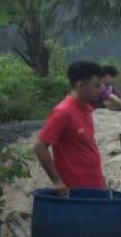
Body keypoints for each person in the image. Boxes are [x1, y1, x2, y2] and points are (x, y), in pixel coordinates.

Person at [35, 61, 106, 194]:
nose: (100, 90)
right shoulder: (63, 112)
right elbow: (40, 146)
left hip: (93, 186)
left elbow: (86, 147)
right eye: (96, 86)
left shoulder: (86, 109)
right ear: (80, 85)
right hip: (75, 190)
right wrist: (57, 181)